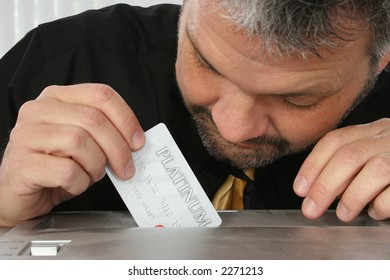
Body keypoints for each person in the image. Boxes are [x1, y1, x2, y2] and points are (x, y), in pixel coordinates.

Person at [1, 0, 390, 227]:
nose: (233, 127)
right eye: (206, 63)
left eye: (297, 100)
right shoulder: (58, 65)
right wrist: (3, 215)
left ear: (380, 63)